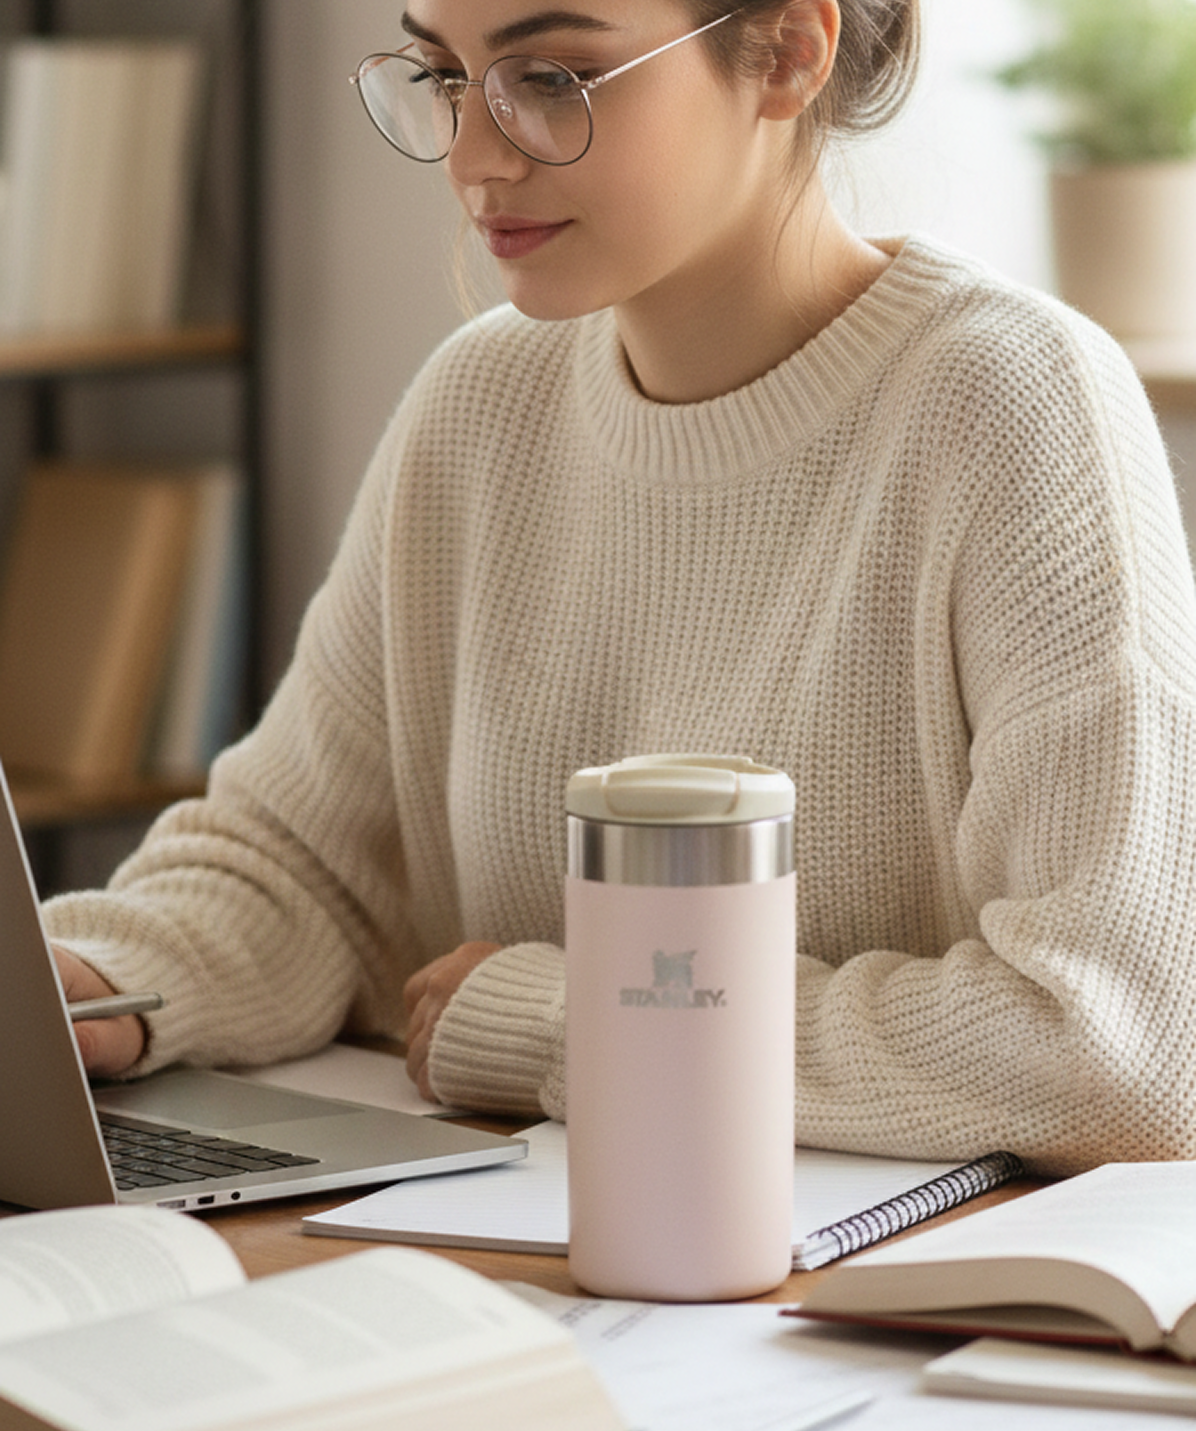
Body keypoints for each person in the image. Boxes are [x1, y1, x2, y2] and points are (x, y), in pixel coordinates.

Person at [51, 0, 1196, 1177]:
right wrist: (87, 988)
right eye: (448, 76)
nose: (472, 158)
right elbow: (298, 873)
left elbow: (1117, 1047)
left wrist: (572, 1018)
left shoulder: (1010, 404)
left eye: (551, 78)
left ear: (789, 52)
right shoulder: (479, 405)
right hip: (534, 1253)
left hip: (879, 1310)